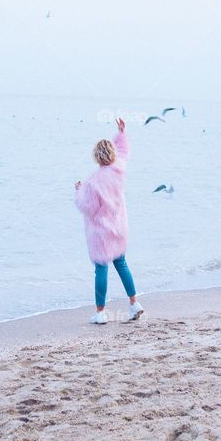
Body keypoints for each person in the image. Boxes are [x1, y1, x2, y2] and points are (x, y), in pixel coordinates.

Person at [74, 117, 144, 325]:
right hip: (119, 226)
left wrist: (79, 190)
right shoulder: (119, 169)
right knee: (121, 264)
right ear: (112, 154)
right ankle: (134, 303)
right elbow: (123, 151)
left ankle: (101, 312)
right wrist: (121, 133)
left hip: (101, 232)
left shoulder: (94, 181)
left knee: (101, 269)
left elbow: (87, 207)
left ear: (97, 157)